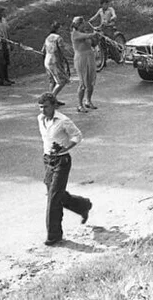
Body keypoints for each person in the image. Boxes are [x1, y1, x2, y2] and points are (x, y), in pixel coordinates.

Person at [36, 92, 92, 246]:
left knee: (53, 199)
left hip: (62, 161)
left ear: (54, 105)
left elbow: (77, 136)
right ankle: (83, 205)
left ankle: (54, 236)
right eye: (40, 107)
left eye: (46, 107)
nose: (43, 110)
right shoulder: (40, 119)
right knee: (56, 195)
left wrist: (65, 148)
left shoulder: (63, 121)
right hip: (48, 160)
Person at [71, 16, 99, 112]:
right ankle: (79, 105)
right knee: (82, 83)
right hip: (81, 59)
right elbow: (87, 36)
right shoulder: (75, 34)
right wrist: (94, 33)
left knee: (90, 82)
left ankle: (88, 101)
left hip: (90, 57)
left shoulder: (84, 33)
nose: (83, 25)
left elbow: (93, 43)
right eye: (82, 23)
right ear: (77, 25)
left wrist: (97, 37)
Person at [41, 21, 69, 106]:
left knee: (52, 81)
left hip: (47, 61)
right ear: (58, 29)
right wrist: (65, 59)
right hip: (55, 61)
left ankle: (54, 100)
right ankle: (51, 99)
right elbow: (62, 50)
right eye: (61, 28)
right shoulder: (58, 38)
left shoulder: (48, 37)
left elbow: (42, 51)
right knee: (62, 81)